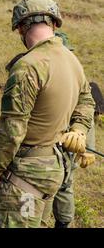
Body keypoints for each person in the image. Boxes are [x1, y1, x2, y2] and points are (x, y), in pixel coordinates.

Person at [0, 0, 95, 228]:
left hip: (26, 174)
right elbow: (87, 101)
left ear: (21, 27)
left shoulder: (28, 66)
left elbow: (12, 129)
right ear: (54, 23)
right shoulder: (71, 60)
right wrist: (79, 129)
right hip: (54, 168)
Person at [47, 32, 96, 228]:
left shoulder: (76, 79)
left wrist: (87, 148)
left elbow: (86, 111)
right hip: (44, 143)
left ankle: (62, 223)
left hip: (67, 145)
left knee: (64, 185)